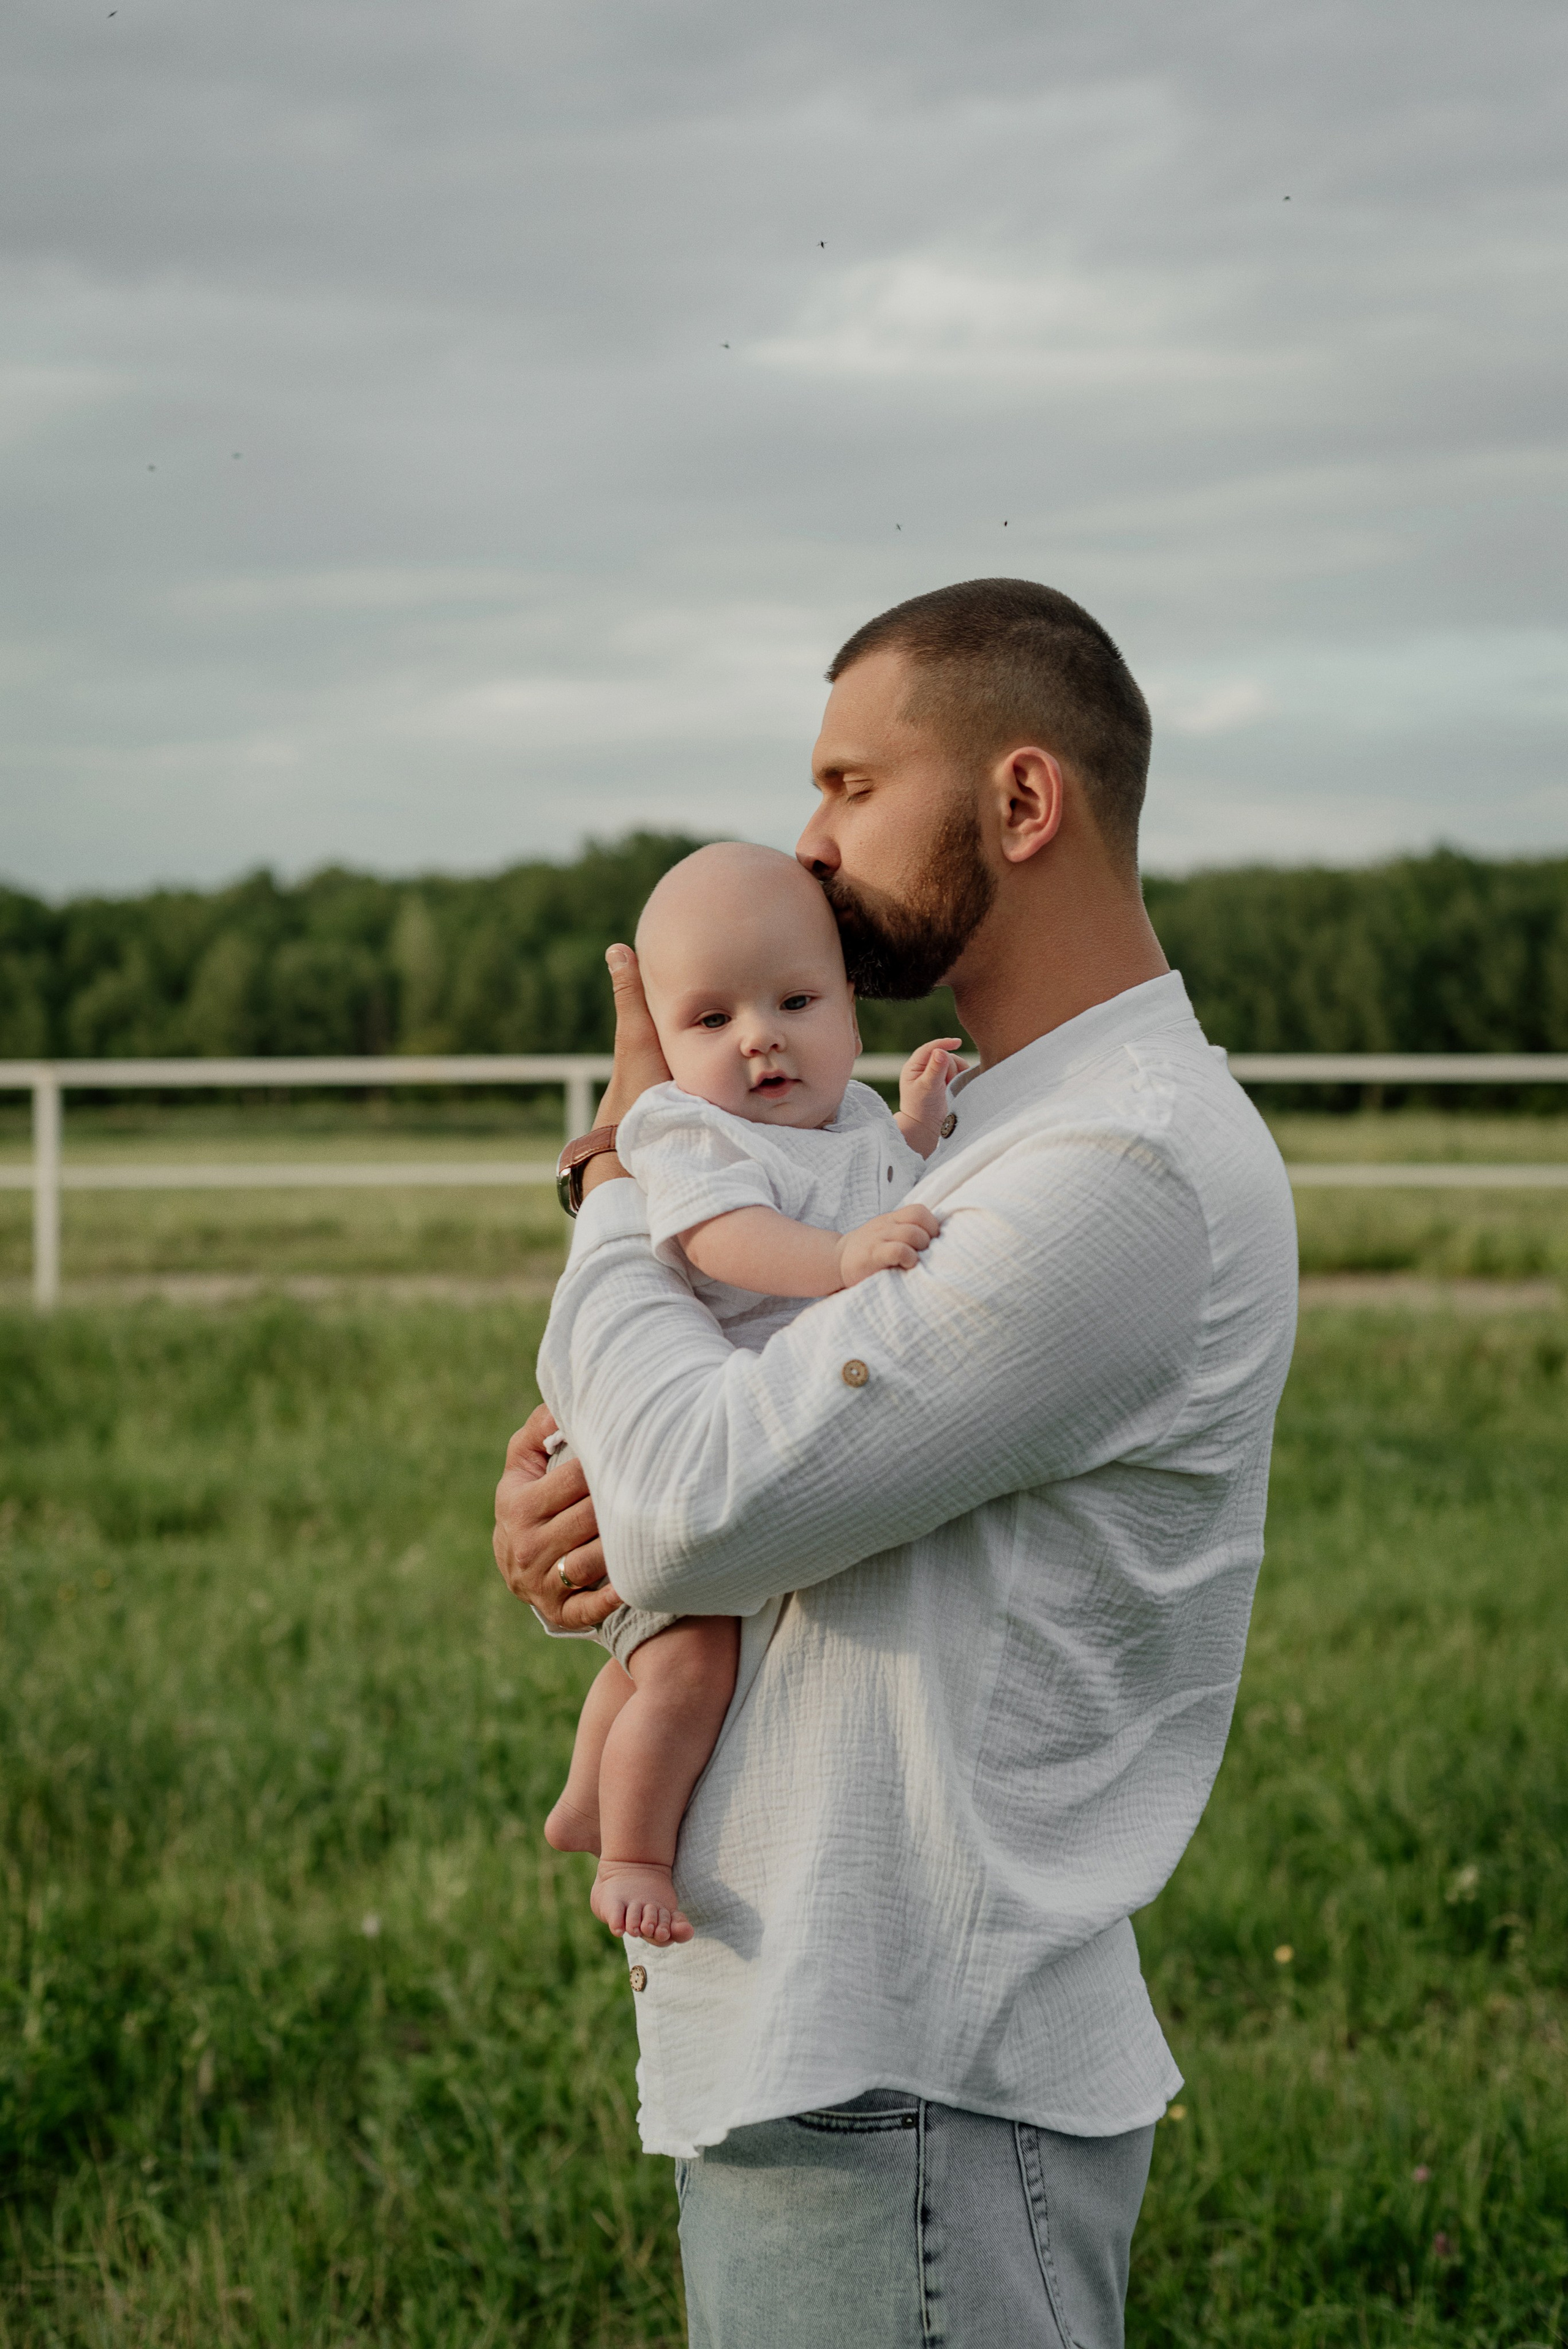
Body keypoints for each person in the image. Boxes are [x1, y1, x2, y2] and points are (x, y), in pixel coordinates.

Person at [492, 577, 1298, 2349]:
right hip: (852, 2047)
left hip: (916, 2068)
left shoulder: (1114, 1172)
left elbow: (702, 1493)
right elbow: (700, 1490)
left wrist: (632, 1170)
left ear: (1021, 803)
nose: (810, 838)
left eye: (853, 783)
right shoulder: (978, 1132)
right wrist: (572, 1516)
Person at [540, 839, 960, 1948]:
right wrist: (836, 1263)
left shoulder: (854, 1121)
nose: (760, 1036)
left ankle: (591, 1786)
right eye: (711, 1020)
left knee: (656, 1658)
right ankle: (631, 1851)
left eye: (795, 1000)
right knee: (693, 1661)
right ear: (663, 1050)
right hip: (650, 1424)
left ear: (853, 1014)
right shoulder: (690, 1133)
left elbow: (879, 1183)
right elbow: (729, 1241)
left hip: (731, 1408)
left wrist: (916, 1124)